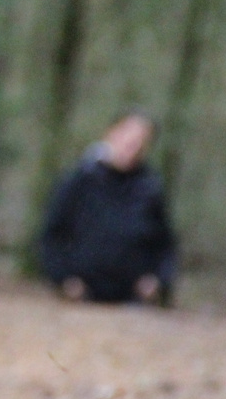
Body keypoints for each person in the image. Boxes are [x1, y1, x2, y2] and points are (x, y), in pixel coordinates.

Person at [40, 112, 177, 305]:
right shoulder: (79, 180)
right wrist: (63, 279)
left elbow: (164, 245)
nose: (133, 146)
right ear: (111, 133)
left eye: (141, 141)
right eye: (128, 137)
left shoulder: (150, 188)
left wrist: (157, 280)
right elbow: (52, 234)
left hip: (132, 302)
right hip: (81, 298)